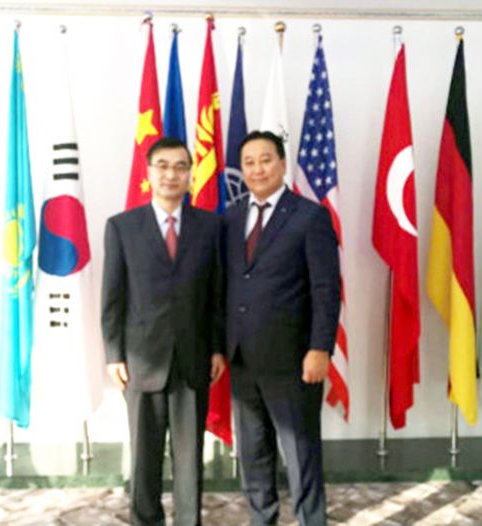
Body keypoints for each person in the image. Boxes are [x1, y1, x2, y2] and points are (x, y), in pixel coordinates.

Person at [101, 136, 226, 526]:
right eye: (163, 166)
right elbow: (113, 296)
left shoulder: (210, 226)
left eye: (180, 167)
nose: (171, 174)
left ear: (191, 174)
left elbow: (217, 294)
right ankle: (145, 520)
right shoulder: (122, 227)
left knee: (190, 457)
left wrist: (217, 348)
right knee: (144, 455)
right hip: (141, 360)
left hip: (193, 358)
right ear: (149, 173)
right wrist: (113, 354)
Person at [225, 131, 340, 526]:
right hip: (241, 357)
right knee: (254, 454)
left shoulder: (310, 216)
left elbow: (326, 288)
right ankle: (263, 520)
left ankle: (311, 520)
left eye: (265, 159)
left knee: (301, 453)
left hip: (293, 360)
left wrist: (320, 348)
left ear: (282, 163)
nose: (257, 169)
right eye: (249, 162)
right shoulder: (230, 218)